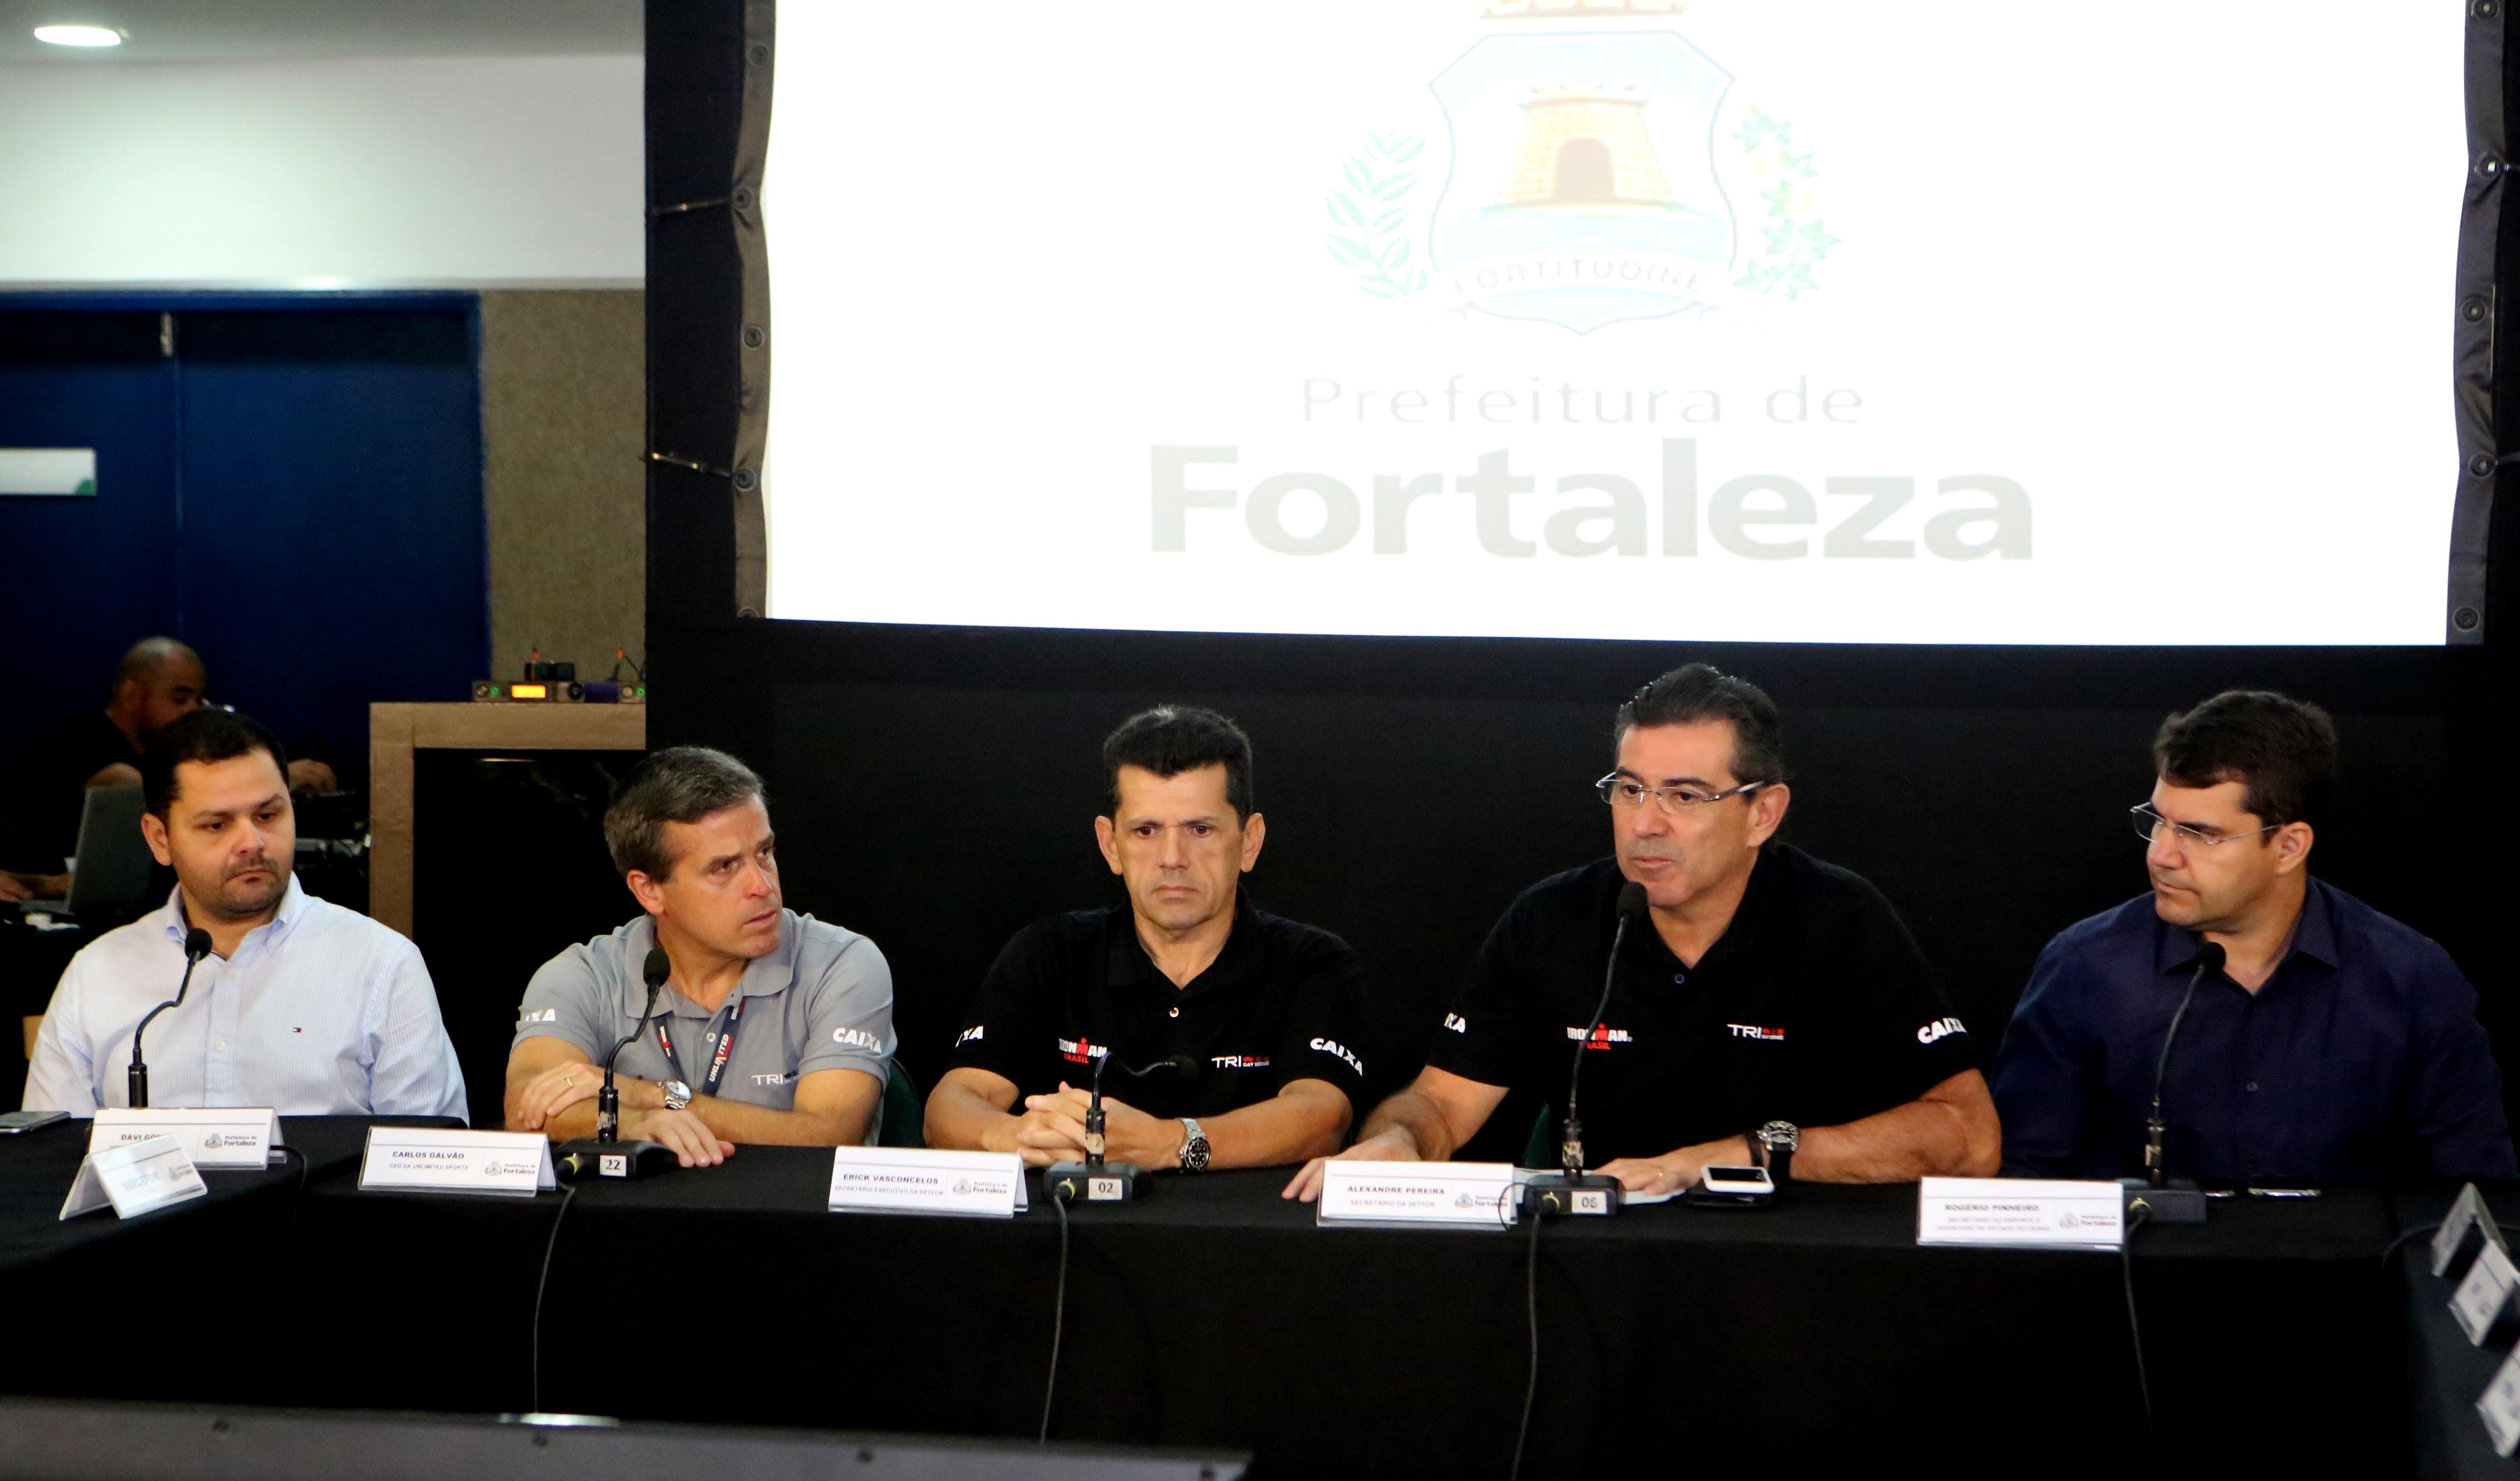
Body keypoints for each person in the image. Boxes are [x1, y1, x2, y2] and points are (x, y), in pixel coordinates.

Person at [1287, 663, 1999, 1203]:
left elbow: (1968, 1136)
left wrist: (1731, 1154)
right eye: (1629, 790)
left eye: (1684, 796)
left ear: (1762, 814)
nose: (1645, 822)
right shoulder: (1555, 918)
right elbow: (1441, 1100)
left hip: (1796, 1255)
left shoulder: (1836, 918)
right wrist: (1397, 1141)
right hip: (1605, 1254)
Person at [1990, 691, 2515, 1183]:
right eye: (2157, 821)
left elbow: (2476, 1195)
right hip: (2139, 1276)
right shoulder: (2084, 966)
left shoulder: (2411, 979)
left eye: (2200, 833)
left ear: (2288, 846)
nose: (2161, 854)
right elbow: (2023, 1178)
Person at [925, 706, 1367, 1172]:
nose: (1172, 857)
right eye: (1146, 830)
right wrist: (1017, 1136)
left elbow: (1323, 1116)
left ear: (1250, 840)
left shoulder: (1312, 962)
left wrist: (1170, 1143)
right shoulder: (1051, 951)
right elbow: (951, 1104)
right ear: (1110, 843)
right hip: (1072, 1238)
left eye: (1200, 829)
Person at [23, 708, 465, 1117]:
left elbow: (429, 1165)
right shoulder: (97, 974)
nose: (251, 842)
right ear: (160, 839)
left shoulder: (382, 965)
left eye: (268, 815)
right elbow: (50, 1168)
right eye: (217, 825)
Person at [504, 747, 894, 1167]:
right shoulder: (580, 976)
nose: (761, 886)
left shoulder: (842, 964)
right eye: (724, 867)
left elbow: (828, 1135)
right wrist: (636, 1125)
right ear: (649, 890)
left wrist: (650, 1097)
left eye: (764, 852)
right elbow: (528, 1112)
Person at [2, 637, 335, 900]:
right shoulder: (82, 742)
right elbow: (148, 791)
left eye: (199, 700)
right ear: (132, 694)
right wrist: (273, 780)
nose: (194, 712)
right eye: (180, 699)